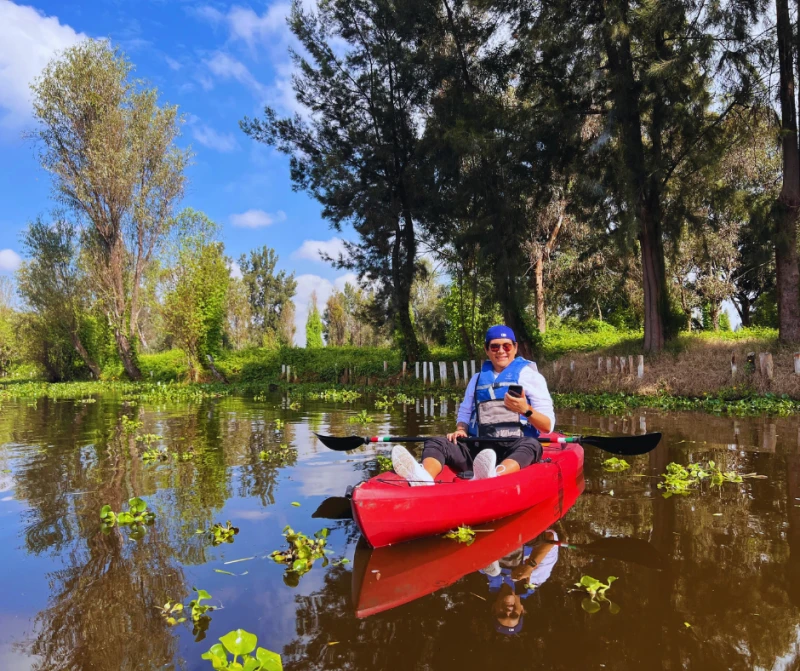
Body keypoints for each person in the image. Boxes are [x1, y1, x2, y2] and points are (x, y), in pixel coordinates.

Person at [391, 325, 555, 485]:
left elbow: (547, 426)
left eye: (506, 346)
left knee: (532, 445)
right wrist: (461, 429)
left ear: (515, 347)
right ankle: (423, 477)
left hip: (514, 447)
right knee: (436, 442)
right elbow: (465, 411)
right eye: (495, 347)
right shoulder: (477, 379)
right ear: (487, 349)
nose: (501, 351)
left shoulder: (532, 377)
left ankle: (494, 475)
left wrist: (526, 410)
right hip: (479, 447)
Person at [483, 530, 560, 635]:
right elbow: (550, 536)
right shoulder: (537, 578)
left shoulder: (485, 572)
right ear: (522, 610)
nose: (508, 611)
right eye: (514, 615)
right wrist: (530, 566)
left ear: (493, 609)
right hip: (524, 527)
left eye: (502, 615)